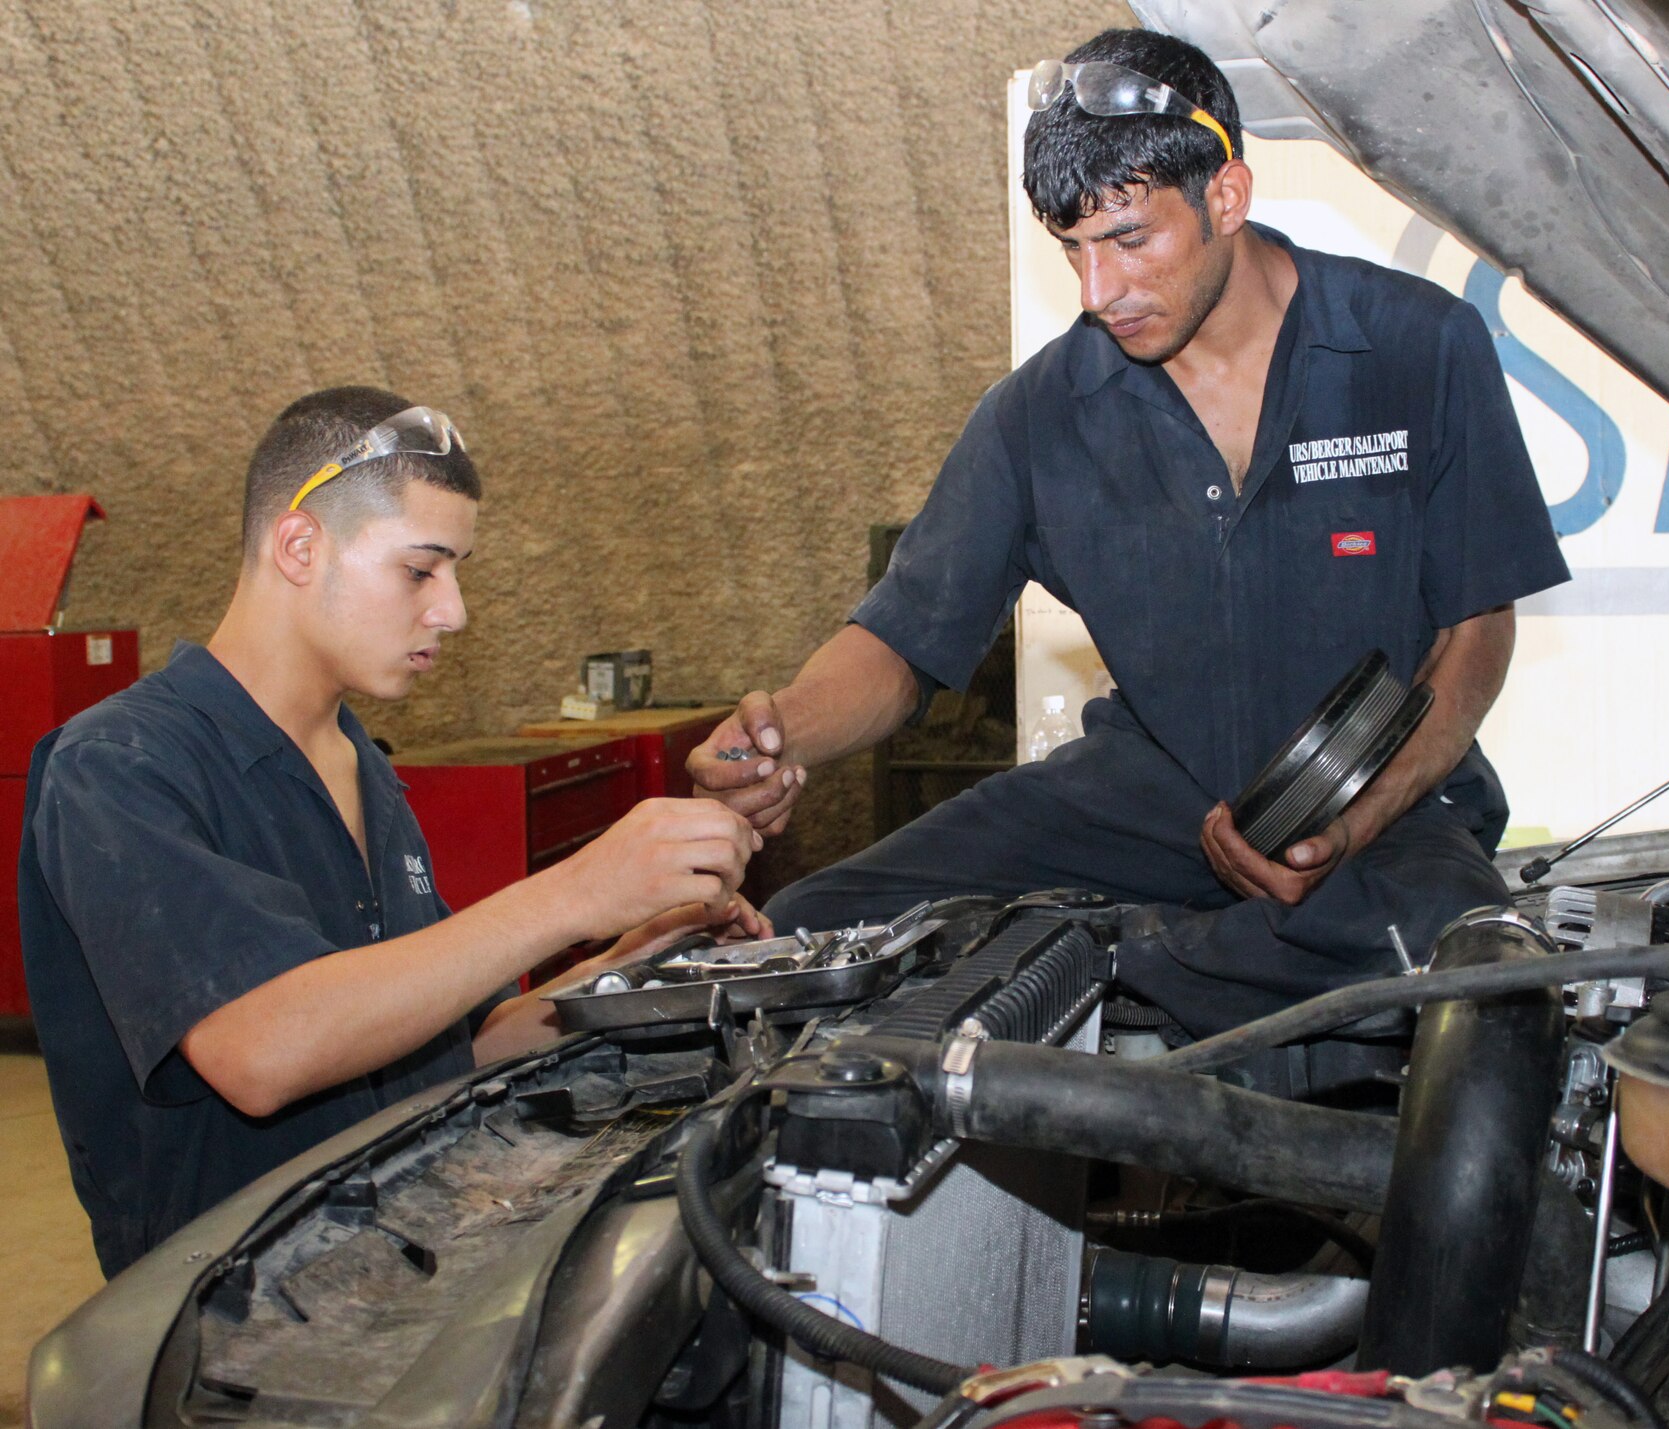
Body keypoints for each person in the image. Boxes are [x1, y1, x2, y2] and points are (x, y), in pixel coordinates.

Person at [688, 29, 1570, 1037]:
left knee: (1457, 963)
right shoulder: (1041, 413)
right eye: (1070, 247)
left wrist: (1350, 818)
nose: (1095, 293)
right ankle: (1132, 953)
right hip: (1141, 800)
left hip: (1382, 799)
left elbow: (1474, 629)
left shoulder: (1417, 344)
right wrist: (778, 733)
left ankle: (1109, 955)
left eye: (1127, 240)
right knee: (809, 933)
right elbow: (904, 640)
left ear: (1225, 197)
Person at [19, 387, 765, 1277]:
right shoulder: (119, 764)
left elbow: (436, 1056)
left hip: (396, 1267)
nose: (453, 610)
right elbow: (263, 1049)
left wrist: (635, 958)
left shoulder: (360, 764)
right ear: (300, 545)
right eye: (421, 569)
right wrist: (577, 890)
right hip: (227, 1326)